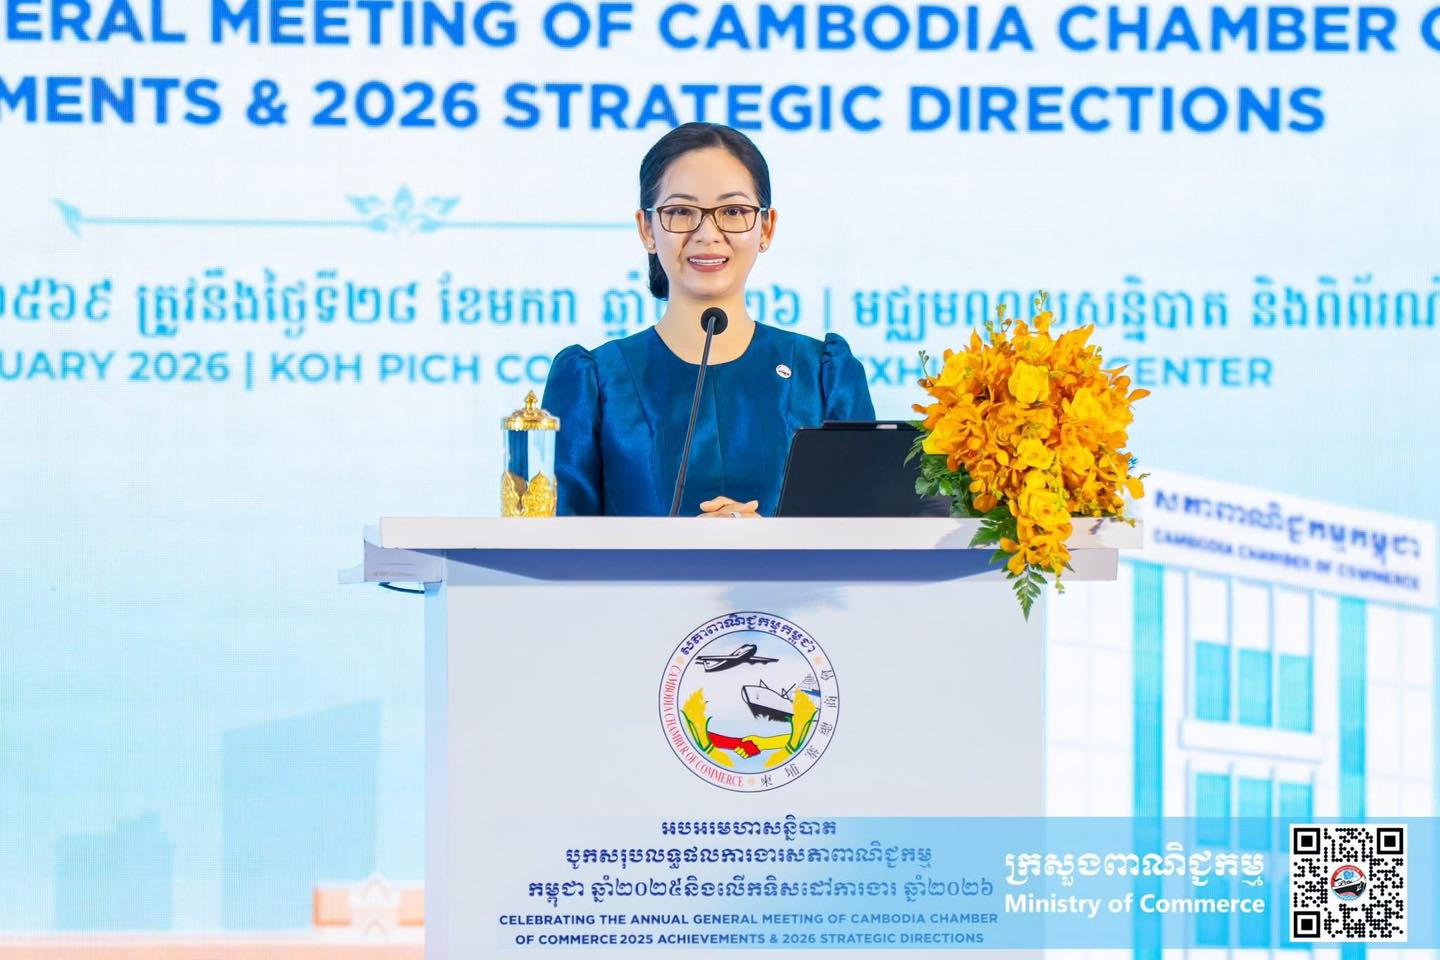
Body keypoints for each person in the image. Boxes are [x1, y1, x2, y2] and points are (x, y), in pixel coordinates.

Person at [541, 122, 875, 518]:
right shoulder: (594, 381)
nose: (708, 233)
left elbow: (864, 532)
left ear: (766, 227)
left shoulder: (824, 376)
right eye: (681, 212)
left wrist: (766, 543)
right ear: (647, 229)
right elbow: (557, 543)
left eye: (733, 211)